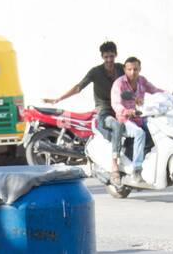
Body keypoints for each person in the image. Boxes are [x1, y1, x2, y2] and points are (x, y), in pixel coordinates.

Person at [44, 40, 122, 176]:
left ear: (116, 55)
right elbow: (78, 87)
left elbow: (136, 82)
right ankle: (114, 163)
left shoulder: (122, 68)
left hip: (121, 109)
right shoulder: (95, 72)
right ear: (102, 57)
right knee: (116, 127)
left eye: (111, 56)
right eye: (106, 57)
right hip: (104, 111)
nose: (109, 60)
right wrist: (58, 99)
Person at [110, 56, 162, 179]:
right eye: (129, 69)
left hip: (140, 117)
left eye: (135, 69)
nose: (133, 72)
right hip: (125, 120)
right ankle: (137, 169)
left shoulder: (142, 81)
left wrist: (170, 95)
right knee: (139, 133)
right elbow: (116, 104)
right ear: (124, 69)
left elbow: (155, 90)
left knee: (158, 127)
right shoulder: (119, 84)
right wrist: (128, 111)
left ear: (139, 69)